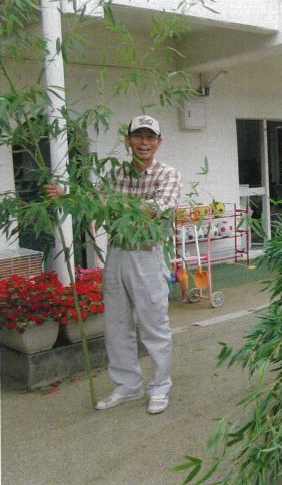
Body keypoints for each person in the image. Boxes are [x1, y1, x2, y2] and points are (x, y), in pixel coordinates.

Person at [47, 114, 182, 414]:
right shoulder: (115, 174)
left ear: (159, 142)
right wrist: (66, 195)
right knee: (116, 324)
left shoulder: (168, 174)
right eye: (138, 136)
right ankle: (128, 385)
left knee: (154, 325)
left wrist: (113, 204)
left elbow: (156, 209)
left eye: (150, 137)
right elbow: (94, 202)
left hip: (148, 253)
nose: (144, 142)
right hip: (117, 252)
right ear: (127, 140)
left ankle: (159, 387)